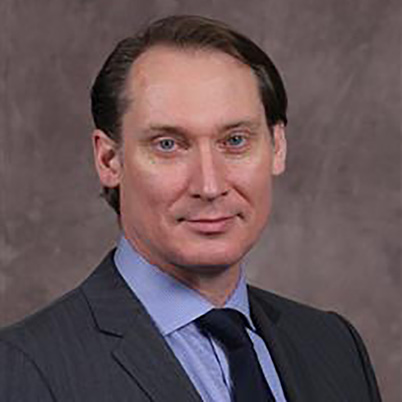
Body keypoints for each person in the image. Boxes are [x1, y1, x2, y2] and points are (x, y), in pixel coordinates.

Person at [0, 15, 382, 401]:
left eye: (235, 140)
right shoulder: (22, 369)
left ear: (277, 146)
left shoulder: (334, 346)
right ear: (109, 160)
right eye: (168, 144)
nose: (209, 186)